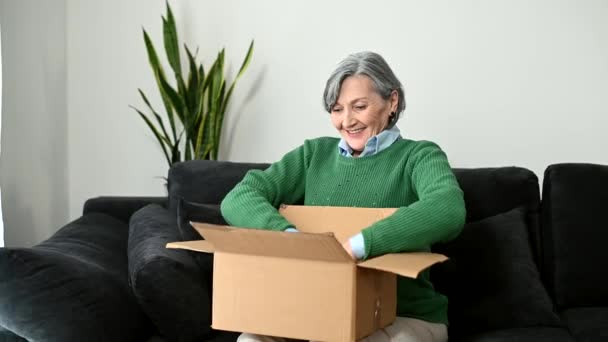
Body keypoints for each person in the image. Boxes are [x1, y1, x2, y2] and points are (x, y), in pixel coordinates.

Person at [220, 51, 466, 342]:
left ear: (392, 102)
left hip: (404, 314)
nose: (347, 121)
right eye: (336, 110)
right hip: (319, 308)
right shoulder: (313, 155)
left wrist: (362, 244)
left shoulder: (419, 156)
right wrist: (290, 238)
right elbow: (239, 196)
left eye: (359, 107)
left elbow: (448, 208)